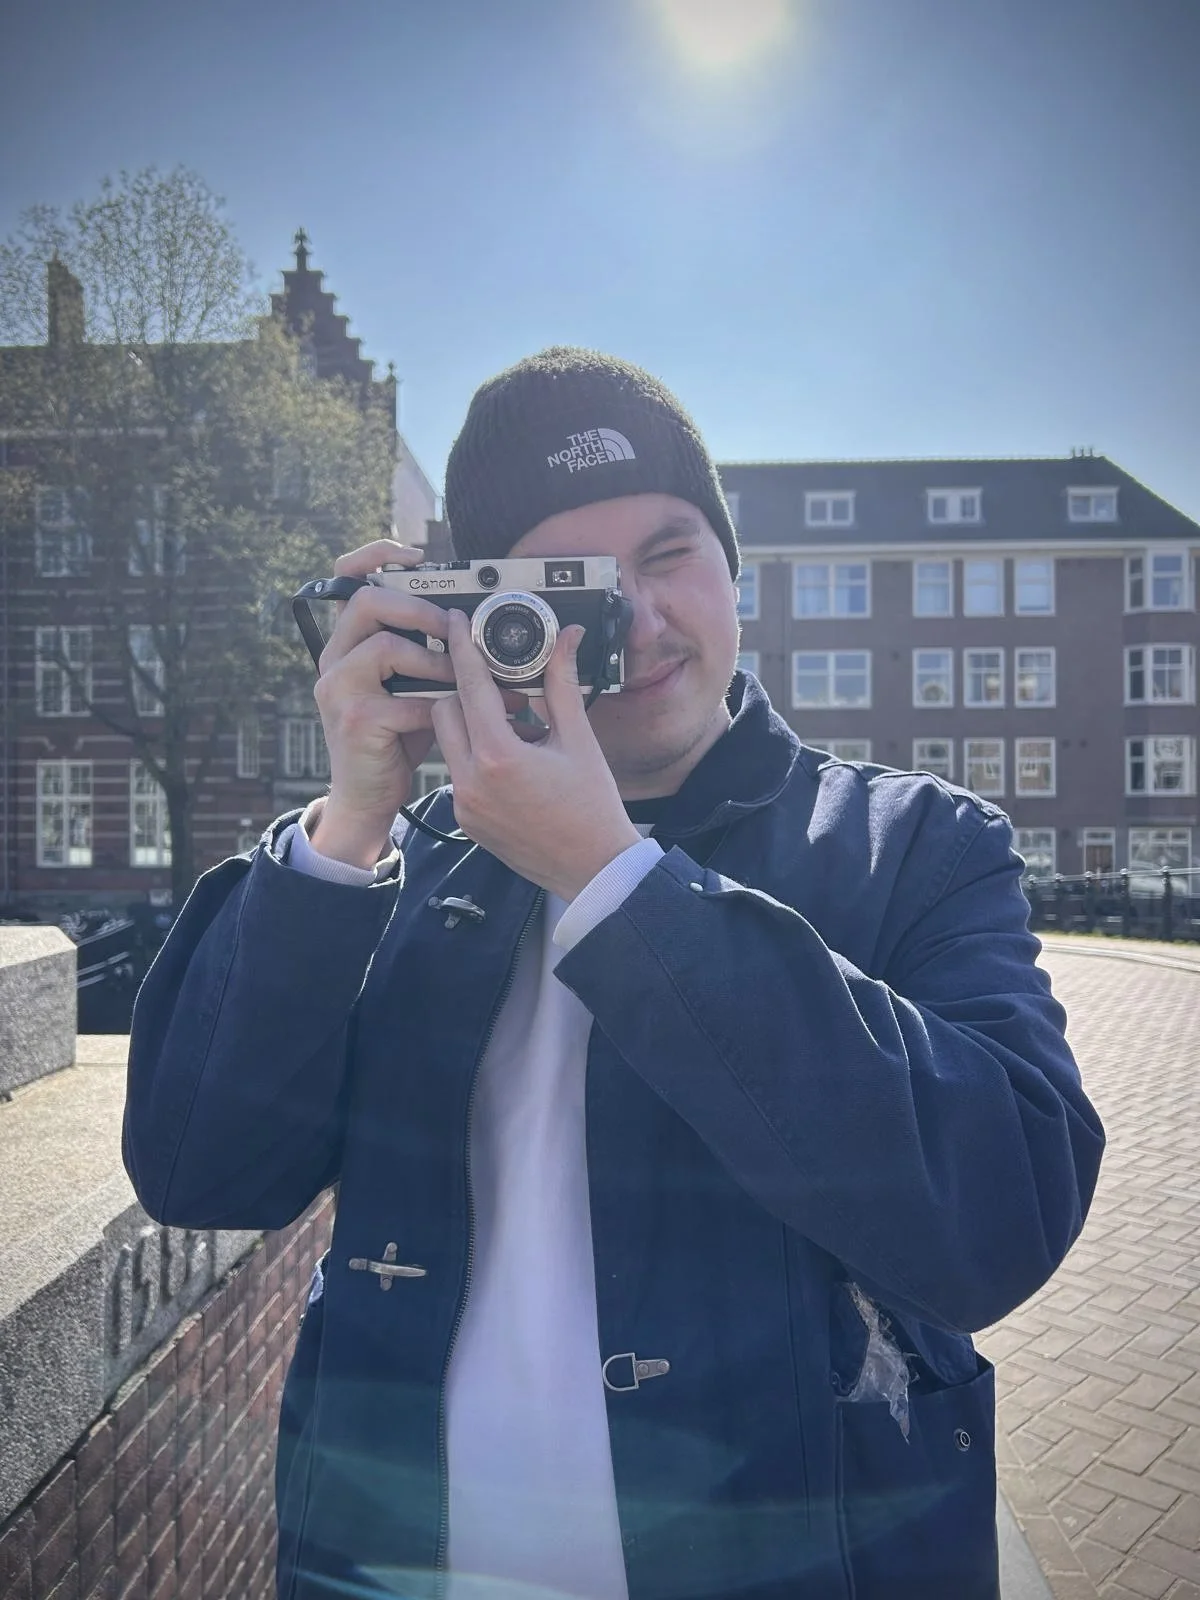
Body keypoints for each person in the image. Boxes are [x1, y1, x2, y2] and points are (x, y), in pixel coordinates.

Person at [124, 348, 1105, 1600]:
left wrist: (609, 875)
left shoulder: (914, 846)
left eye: (667, 553)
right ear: (472, 612)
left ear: (733, 571)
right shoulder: (403, 869)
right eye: (565, 584)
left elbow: (1003, 1213)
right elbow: (200, 1166)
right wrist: (350, 817)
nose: (634, 623)